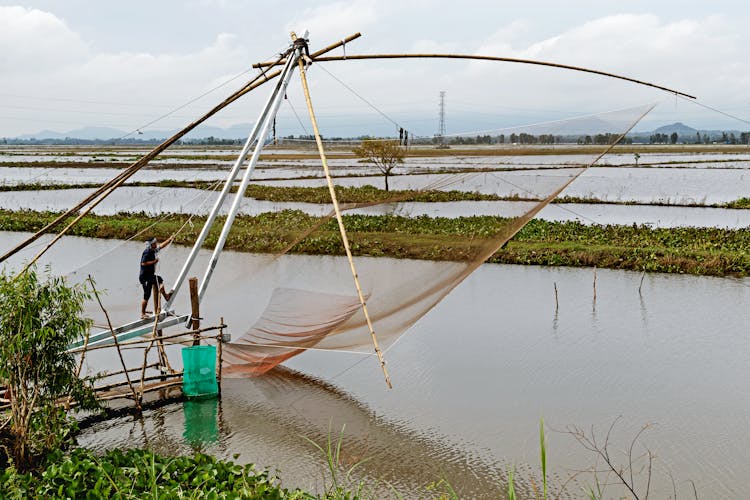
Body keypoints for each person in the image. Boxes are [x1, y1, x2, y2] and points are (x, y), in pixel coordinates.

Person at [139, 235, 175, 319]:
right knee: (146, 296)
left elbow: (161, 246)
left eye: (155, 243)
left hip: (150, 276)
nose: (156, 244)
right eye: (154, 243)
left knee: (159, 279)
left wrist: (169, 239)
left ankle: (166, 296)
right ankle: (142, 313)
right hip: (145, 278)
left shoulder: (153, 250)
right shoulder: (147, 252)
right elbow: (143, 263)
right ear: (150, 245)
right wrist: (154, 261)